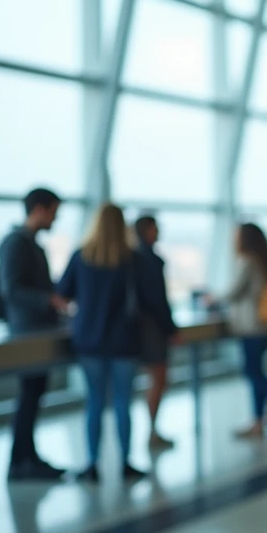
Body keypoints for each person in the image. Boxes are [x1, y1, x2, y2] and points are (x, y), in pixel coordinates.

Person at [58, 204, 171, 483]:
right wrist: (169, 328)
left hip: (88, 339)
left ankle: (92, 463)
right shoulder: (133, 259)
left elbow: (63, 293)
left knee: (95, 401)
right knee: (122, 401)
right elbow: (153, 300)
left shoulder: (81, 256)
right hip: (124, 339)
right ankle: (125, 462)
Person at [0, 187, 70, 482]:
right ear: (39, 209)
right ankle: (20, 461)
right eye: (53, 212)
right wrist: (48, 300)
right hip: (27, 333)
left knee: (34, 394)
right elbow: (11, 290)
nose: (55, 219)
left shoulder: (33, 245)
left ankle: (28, 456)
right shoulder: (15, 244)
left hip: (39, 332)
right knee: (28, 396)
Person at [210, 223, 267, 439]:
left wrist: (212, 299)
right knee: (256, 370)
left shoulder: (247, 261)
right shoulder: (266, 260)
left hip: (252, 327)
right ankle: (259, 420)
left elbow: (234, 291)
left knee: (252, 372)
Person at [133, 215, 178, 449]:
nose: (158, 231)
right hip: (151, 328)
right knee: (158, 379)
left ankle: (151, 429)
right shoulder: (148, 259)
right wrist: (170, 328)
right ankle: (152, 430)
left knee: (154, 380)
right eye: (155, 228)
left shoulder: (132, 257)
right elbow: (157, 299)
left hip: (138, 328)